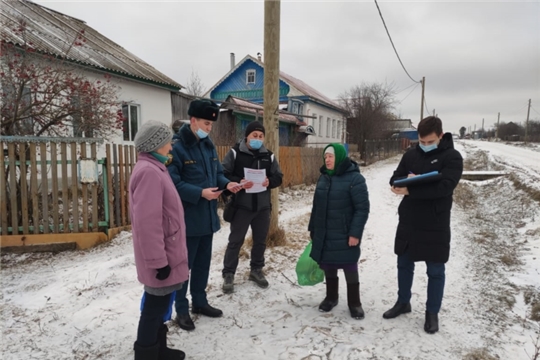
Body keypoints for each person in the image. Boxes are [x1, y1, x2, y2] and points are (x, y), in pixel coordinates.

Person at [384, 116, 463, 334]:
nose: (426, 146)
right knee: (404, 262)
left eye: (430, 142)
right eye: (422, 142)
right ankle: (403, 302)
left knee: (435, 269)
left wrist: (411, 189)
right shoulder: (410, 154)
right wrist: (397, 184)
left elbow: (445, 187)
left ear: (440, 135)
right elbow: (395, 177)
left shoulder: (452, 157)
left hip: (435, 221)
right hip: (410, 218)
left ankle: (432, 312)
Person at [168, 99, 241, 331]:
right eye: (206, 123)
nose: (209, 128)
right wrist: (199, 193)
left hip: (208, 218)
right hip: (188, 219)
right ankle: (181, 308)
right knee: (183, 267)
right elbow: (172, 183)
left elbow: (217, 173)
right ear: (193, 121)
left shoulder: (208, 145)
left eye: (211, 124)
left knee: (202, 265)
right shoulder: (177, 147)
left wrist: (228, 184)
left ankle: (199, 301)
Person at [130, 121, 189, 360]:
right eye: (168, 141)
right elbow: (147, 223)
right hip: (160, 256)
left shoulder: (156, 167)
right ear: (156, 143)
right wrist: (158, 261)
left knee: (161, 305)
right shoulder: (149, 172)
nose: (172, 146)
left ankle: (159, 349)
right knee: (154, 309)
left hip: (167, 250)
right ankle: (145, 354)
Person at [308, 143, 370, 319]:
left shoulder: (355, 179)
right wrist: (313, 228)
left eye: (331, 156)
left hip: (345, 233)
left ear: (340, 157)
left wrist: (355, 233)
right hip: (325, 231)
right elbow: (316, 206)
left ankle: (355, 303)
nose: (327, 160)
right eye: (325, 156)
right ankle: (331, 297)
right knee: (328, 265)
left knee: (349, 266)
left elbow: (362, 209)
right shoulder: (323, 177)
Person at [220, 121, 283, 293]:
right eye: (254, 135)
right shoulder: (235, 153)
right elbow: (223, 173)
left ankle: (256, 270)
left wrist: (270, 181)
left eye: (261, 136)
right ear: (247, 136)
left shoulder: (268, 156)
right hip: (241, 206)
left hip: (262, 207)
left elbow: (278, 176)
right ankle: (228, 273)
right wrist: (238, 181)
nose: (257, 139)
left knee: (260, 241)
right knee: (235, 241)